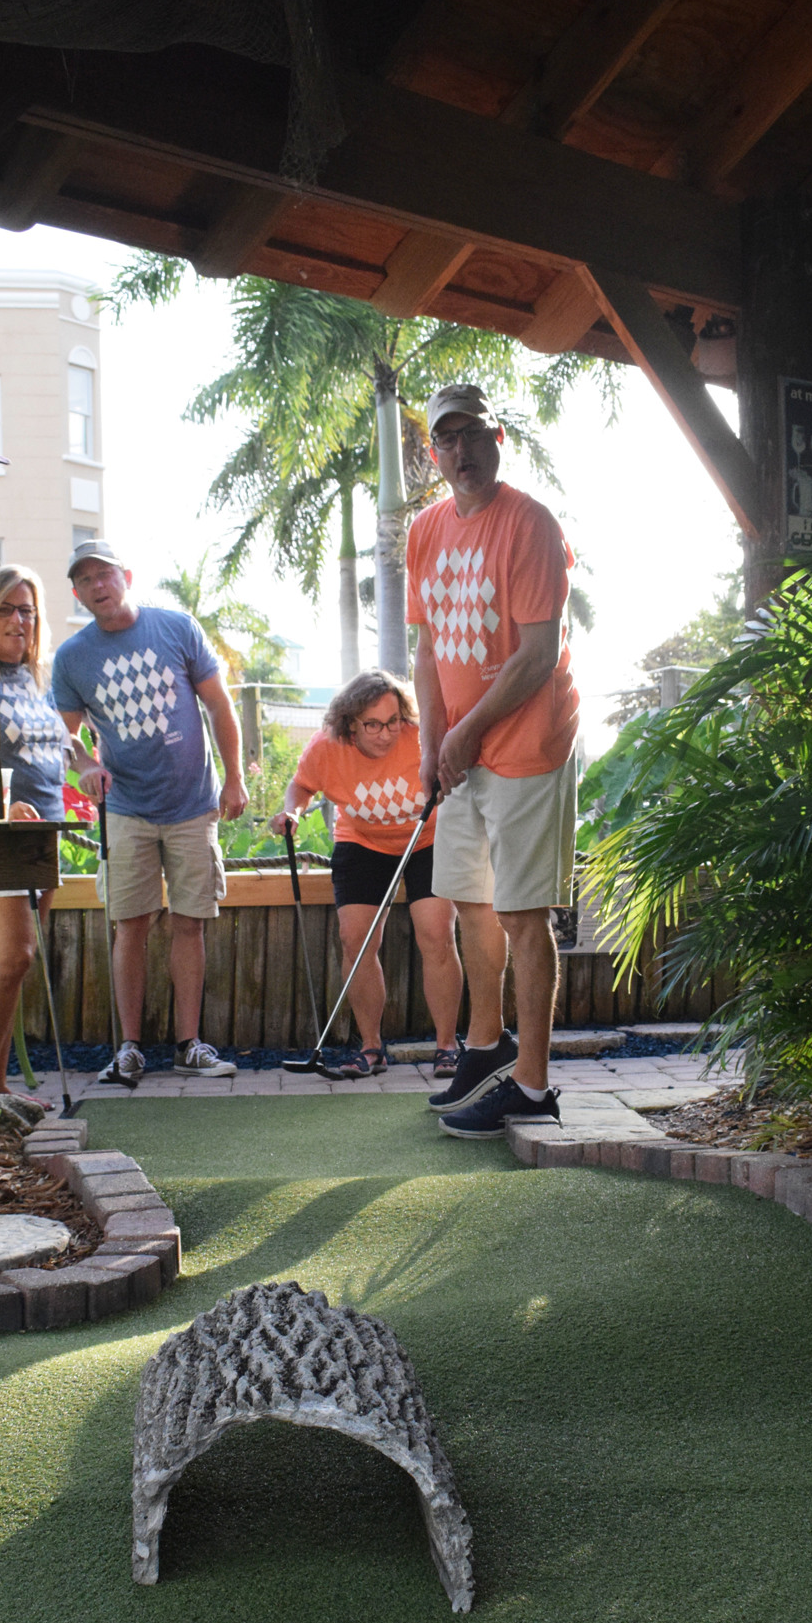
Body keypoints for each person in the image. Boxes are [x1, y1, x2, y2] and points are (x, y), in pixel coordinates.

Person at [409, 382, 579, 1138]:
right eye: (445, 440)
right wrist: (429, 744)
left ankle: (534, 1085)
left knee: (519, 911)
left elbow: (537, 653)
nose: (460, 451)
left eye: (471, 434)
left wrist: (466, 731)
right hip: (461, 752)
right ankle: (484, 1047)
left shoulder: (530, 525)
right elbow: (425, 648)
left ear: (495, 437)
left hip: (527, 745)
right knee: (468, 901)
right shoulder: (425, 530)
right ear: (432, 452)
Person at [52, 540, 249, 1085]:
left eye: (105, 574)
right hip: (126, 809)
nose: (98, 585)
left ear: (126, 576)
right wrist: (86, 763)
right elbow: (64, 737)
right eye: (86, 579)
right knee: (129, 926)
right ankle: (130, 1048)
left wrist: (234, 778)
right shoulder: (72, 657)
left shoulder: (176, 629)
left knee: (190, 924)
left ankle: (190, 1044)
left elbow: (219, 705)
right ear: (77, 592)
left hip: (191, 804)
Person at [269, 670, 462, 1078]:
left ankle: (448, 1047)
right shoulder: (327, 745)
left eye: (393, 721)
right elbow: (301, 786)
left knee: (437, 934)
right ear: (351, 723)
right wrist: (292, 813)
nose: (386, 733)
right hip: (361, 843)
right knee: (355, 942)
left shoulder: (420, 734)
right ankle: (371, 1049)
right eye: (373, 724)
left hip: (426, 839)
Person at [0, 562, 72, 1097]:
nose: (17, 620)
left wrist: (89, 771)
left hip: (44, 833)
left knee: (21, 967)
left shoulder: (33, 678)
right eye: (5, 608)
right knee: (11, 959)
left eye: (26, 610)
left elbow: (53, 750)